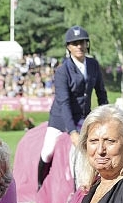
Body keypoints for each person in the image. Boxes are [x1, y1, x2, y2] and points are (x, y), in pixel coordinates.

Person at [38, 25, 108, 188]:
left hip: (84, 117)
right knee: (47, 150)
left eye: (82, 42)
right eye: (75, 43)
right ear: (69, 47)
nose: (79, 46)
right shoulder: (63, 71)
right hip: (61, 119)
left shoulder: (93, 65)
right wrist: (72, 132)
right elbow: (64, 103)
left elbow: (101, 93)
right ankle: (40, 184)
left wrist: (107, 118)